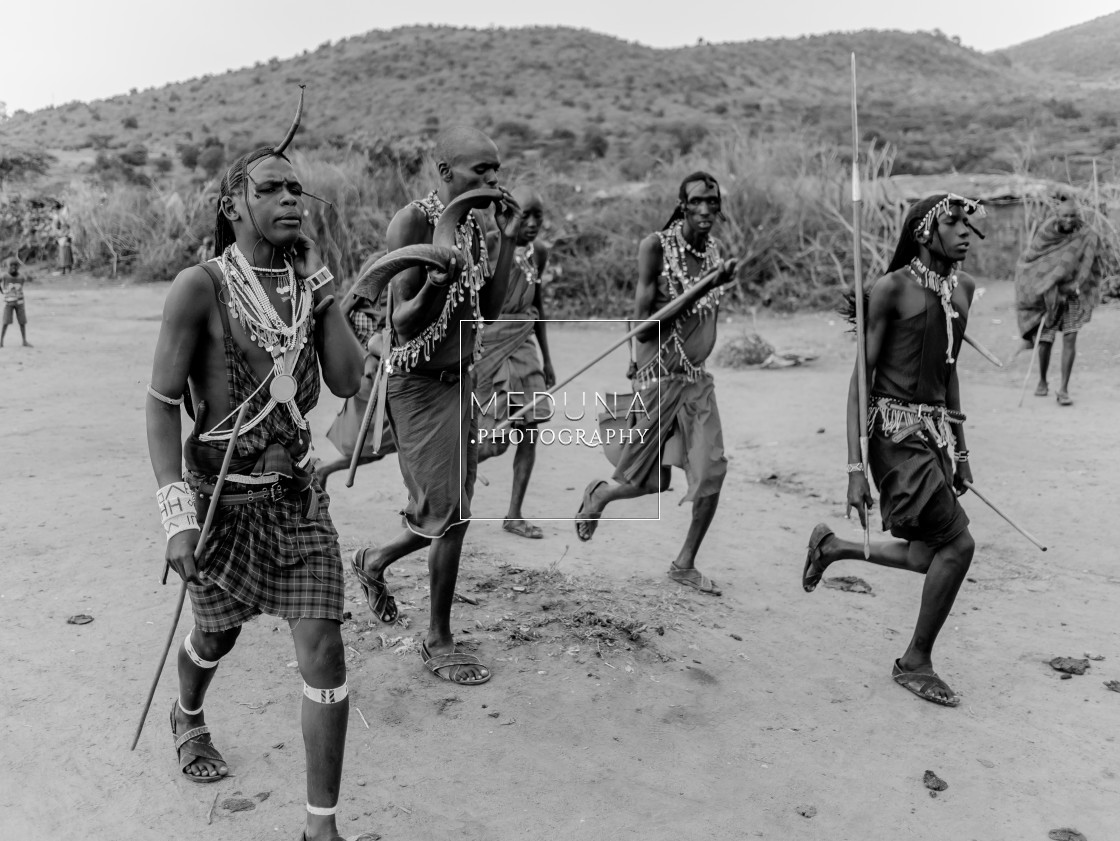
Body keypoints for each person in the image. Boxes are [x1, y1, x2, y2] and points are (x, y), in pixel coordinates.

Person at [145, 110, 371, 841]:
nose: (290, 201)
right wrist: (177, 515)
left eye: (298, 191)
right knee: (216, 636)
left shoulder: (309, 287)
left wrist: (322, 286)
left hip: (298, 500)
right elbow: (157, 409)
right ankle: (189, 713)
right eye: (272, 188)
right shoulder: (199, 288)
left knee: (326, 647)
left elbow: (346, 377)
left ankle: (320, 830)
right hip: (221, 503)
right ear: (231, 202)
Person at [351, 127, 522, 684]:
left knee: (452, 513)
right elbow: (399, 321)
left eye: (496, 170)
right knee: (449, 515)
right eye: (481, 172)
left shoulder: (479, 229)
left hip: (461, 384)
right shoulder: (414, 223)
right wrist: (434, 283)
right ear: (446, 173)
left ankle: (375, 561)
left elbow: (490, 314)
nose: (493, 180)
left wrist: (510, 240)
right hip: (419, 386)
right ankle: (439, 638)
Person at [802, 193, 983, 708]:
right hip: (893, 437)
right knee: (959, 546)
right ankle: (915, 663)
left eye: (968, 223)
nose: (965, 231)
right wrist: (855, 470)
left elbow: (948, 377)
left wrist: (962, 454)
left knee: (929, 555)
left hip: (934, 439)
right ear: (926, 232)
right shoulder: (892, 290)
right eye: (953, 222)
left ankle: (831, 547)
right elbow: (861, 382)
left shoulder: (963, 291)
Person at [573, 172, 737, 596]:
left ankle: (685, 563)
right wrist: (705, 287)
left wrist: (710, 285)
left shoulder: (714, 252)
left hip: (697, 383)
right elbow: (643, 330)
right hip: (659, 379)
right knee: (651, 482)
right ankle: (601, 494)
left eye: (713, 203)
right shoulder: (656, 248)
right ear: (682, 205)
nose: (706, 210)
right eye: (697, 201)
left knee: (711, 472)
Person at [472, 186, 556, 539]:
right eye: (526, 215)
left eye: (539, 216)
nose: (534, 223)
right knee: (491, 441)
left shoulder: (538, 252)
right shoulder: (489, 243)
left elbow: (539, 310)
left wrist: (548, 360)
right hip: (491, 347)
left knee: (530, 431)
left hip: (525, 348)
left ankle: (514, 514)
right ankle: (432, 494)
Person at [1015, 193, 1104, 406]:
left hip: (1072, 294)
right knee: (1045, 339)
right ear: (1057, 214)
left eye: (1073, 216)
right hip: (1050, 295)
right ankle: (1042, 381)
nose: (1069, 220)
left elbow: (1092, 264)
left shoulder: (1087, 235)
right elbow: (1032, 260)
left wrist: (1075, 286)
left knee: (1071, 337)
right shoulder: (1046, 231)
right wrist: (1049, 283)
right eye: (1065, 215)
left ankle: (1063, 389)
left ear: (1078, 216)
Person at [317, 264, 398, 488]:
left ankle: (417, 503)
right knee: (377, 445)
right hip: (372, 376)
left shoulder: (406, 274)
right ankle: (323, 471)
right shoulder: (376, 273)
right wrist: (363, 356)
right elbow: (339, 315)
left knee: (393, 443)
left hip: (391, 371)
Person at [1, 257, 32, 347]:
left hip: (20, 303)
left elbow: (25, 280)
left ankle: (24, 341)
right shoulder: (5, 276)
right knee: (5, 322)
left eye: (16, 265)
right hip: (9, 303)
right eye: (11, 265)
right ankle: (1, 341)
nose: (14, 267)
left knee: (22, 322)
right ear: (8, 266)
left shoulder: (21, 277)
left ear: (18, 267)